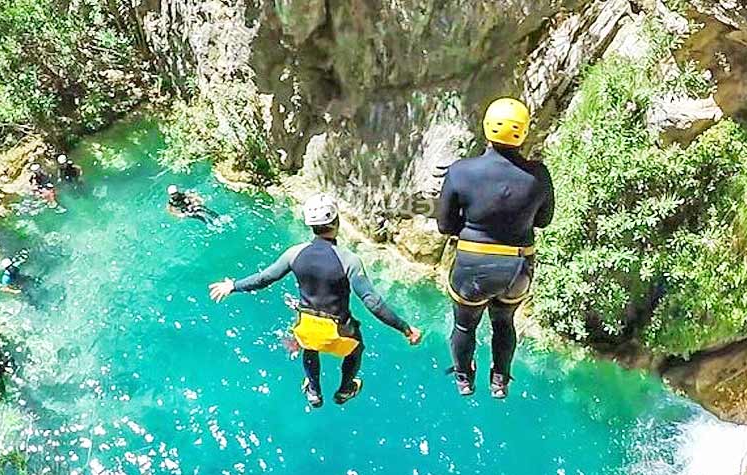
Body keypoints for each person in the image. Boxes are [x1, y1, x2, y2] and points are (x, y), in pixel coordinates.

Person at [209, 194, 422, 408]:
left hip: (306, 326)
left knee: (309, 344)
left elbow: (264, 278)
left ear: (310, 225)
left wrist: (233, 286)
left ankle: (314, 390)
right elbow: (372, 302)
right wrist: (405, 328)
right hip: (339, 332)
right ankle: (345, 390)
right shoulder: (349, 260)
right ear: (337, 221)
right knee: (356, 349)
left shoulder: (294, 254)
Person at [436, 97, 555, 399]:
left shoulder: (461, 171)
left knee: (464, 326)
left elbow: (445, 225)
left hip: (473, 266)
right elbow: (544, 221)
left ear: (487, 127)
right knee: (504, 322)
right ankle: (499, 380)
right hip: (517, 268)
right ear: (523, 132)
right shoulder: (538, 175)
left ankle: (464, 379)